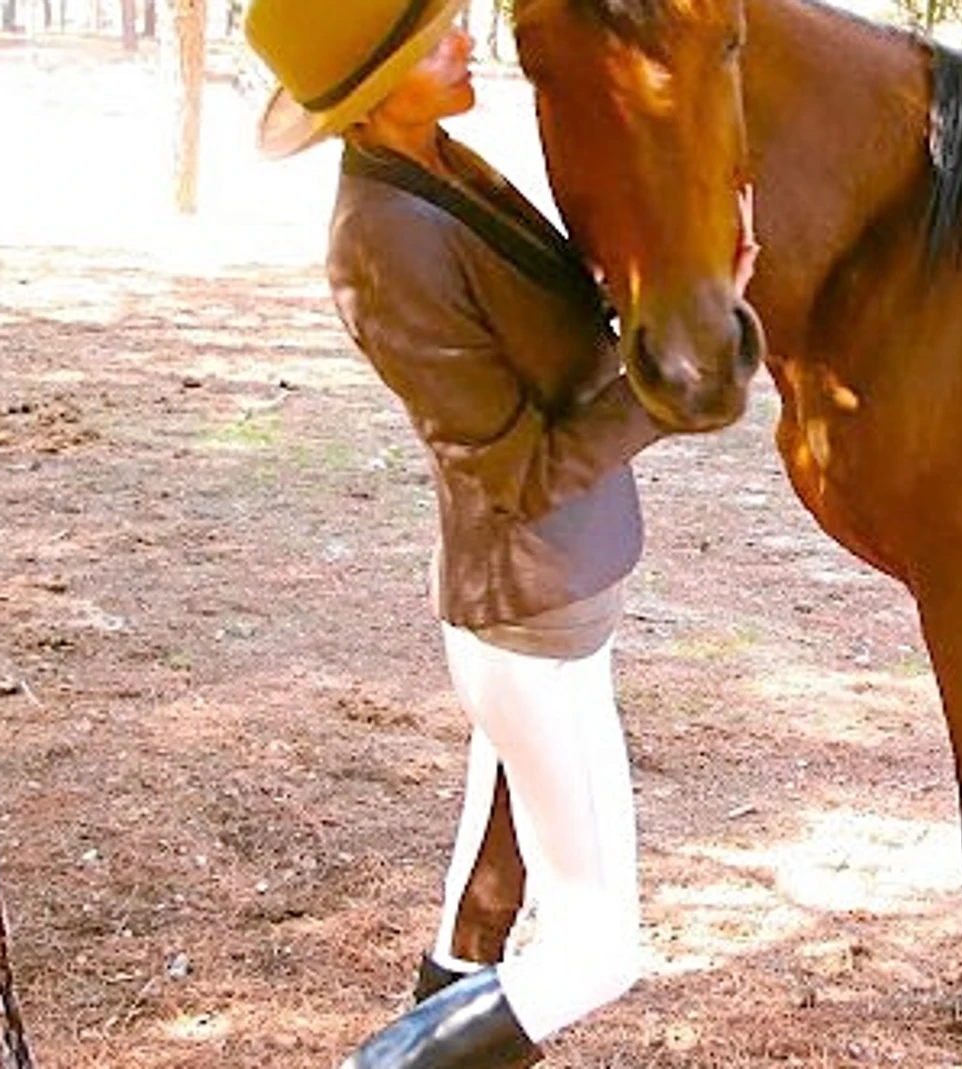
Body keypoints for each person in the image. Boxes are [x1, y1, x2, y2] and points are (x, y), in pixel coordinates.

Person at [243, 1, 758, 1065]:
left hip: (539, 610)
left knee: (486, 899)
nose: (466, 38)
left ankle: (433, 1008)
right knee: (597, 949)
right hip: (531, 622)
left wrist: (694, 287)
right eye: (435, 39)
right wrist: (672, 383)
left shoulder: (443, 162)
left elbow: (554, 318)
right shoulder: (383, 240)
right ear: (372, 96)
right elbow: (515, 470)